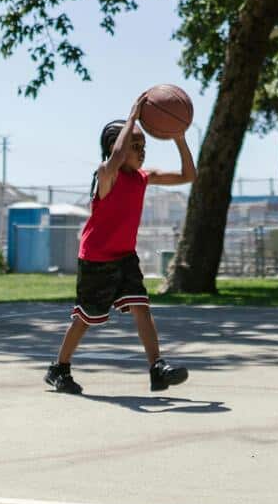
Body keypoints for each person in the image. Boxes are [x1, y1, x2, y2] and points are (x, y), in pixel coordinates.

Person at [45, 95, 194, 395]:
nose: (139, 152)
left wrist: (178, 137)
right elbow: (114, 159)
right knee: (85, 318)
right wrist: (132, 119)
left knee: (142, 306)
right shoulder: (106, 175)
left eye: (143, 147)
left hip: (125, 256)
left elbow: (188, 175)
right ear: (116, 148)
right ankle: (59, 368)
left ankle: (157, 368)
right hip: (97, 258)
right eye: (133, 147)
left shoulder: (142, 177)